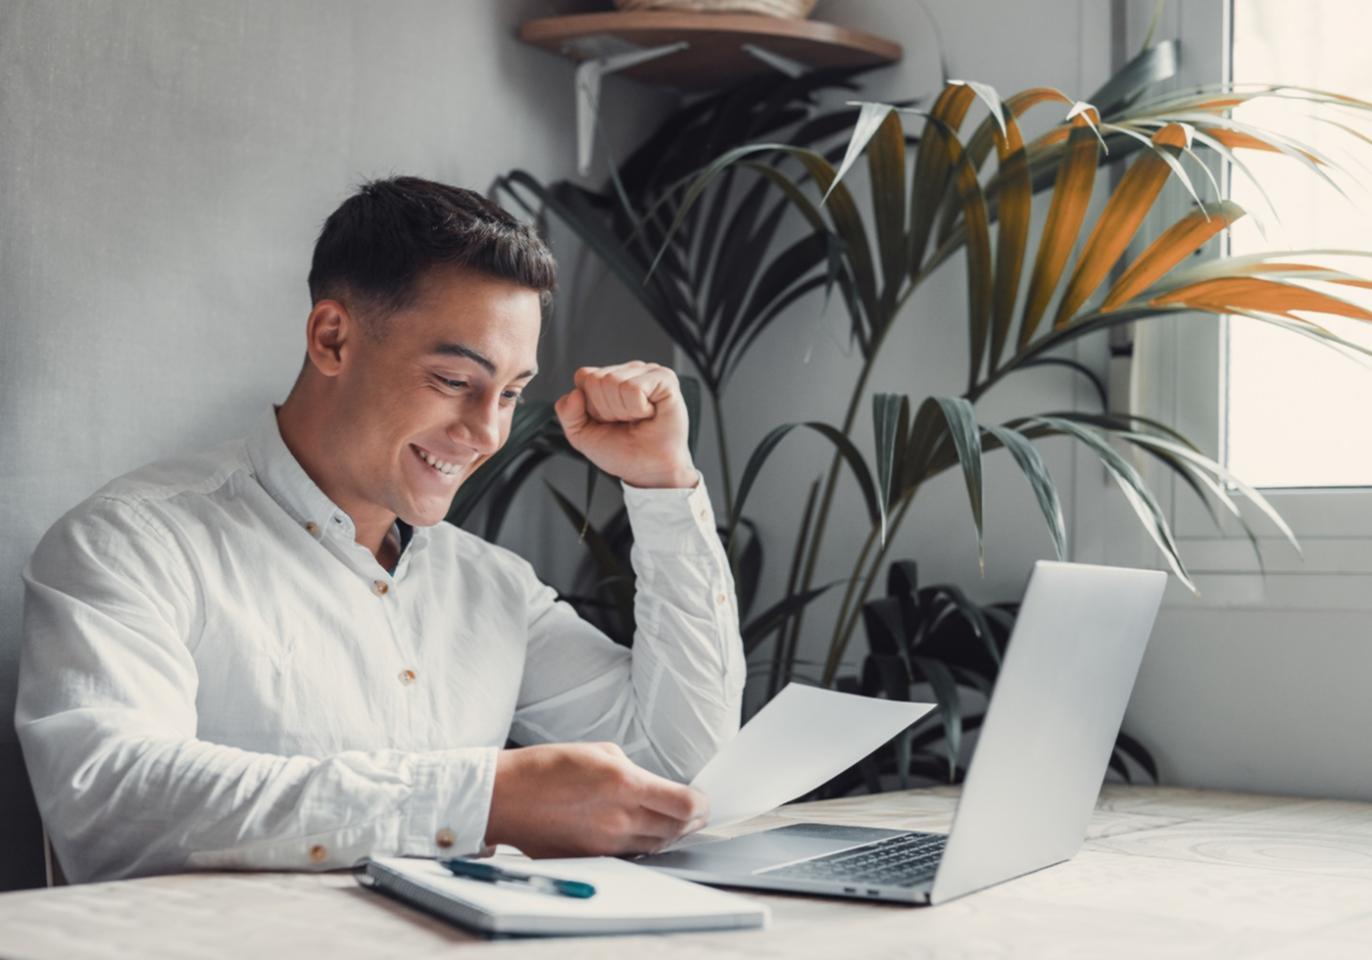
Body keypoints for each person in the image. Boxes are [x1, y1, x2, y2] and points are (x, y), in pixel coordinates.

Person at [15, 176, 744, 884]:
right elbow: (108, 803)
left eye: (513, 393)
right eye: (456, 382)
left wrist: (662, 484)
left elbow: (675, 764)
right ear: (332, 339)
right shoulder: (133, 543)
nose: (487, 432)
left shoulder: (492, 586)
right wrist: (475, 801)